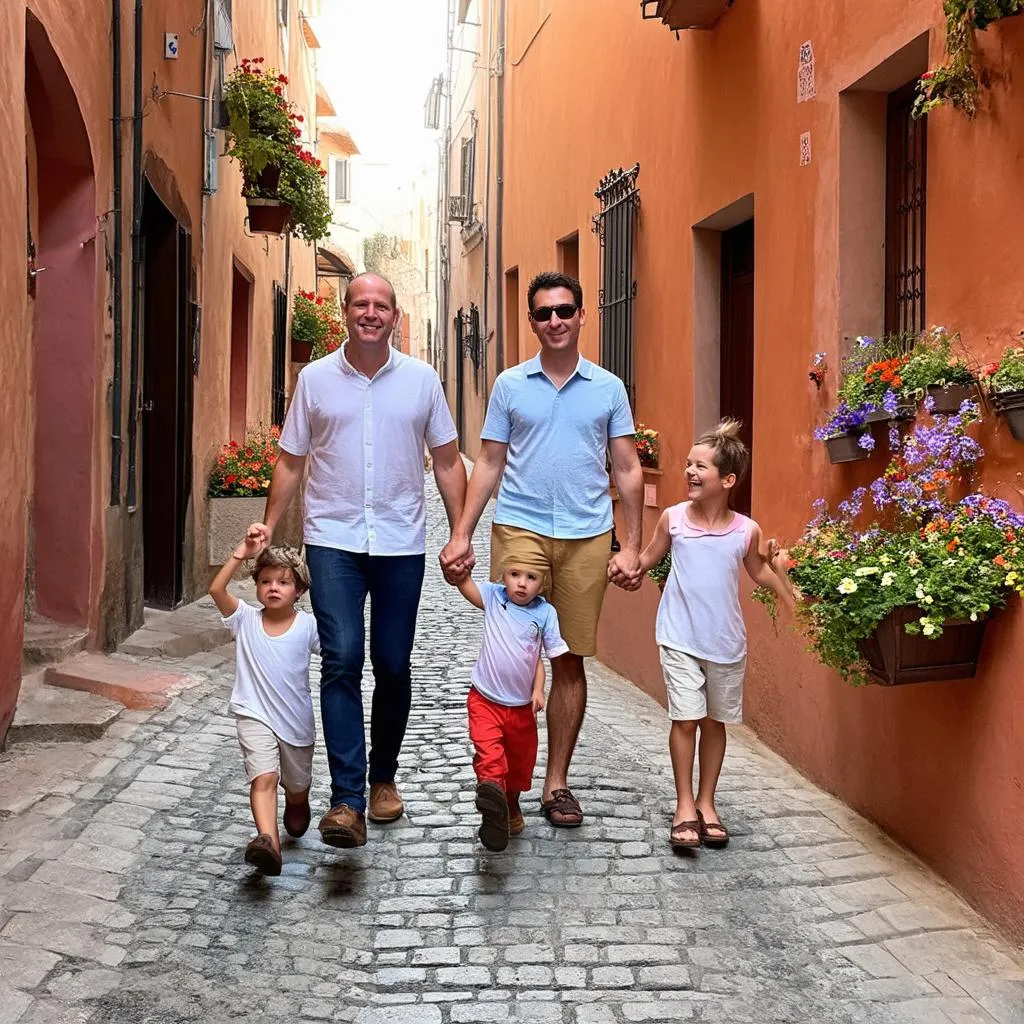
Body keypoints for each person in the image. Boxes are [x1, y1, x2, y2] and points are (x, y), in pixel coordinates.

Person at [248, 272, 467, 850]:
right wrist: (268, 526)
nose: (370, 313)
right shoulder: (315, 380)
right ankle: (346, 800)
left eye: (381, 306)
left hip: (400, 541)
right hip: (333, 538)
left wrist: (461, 532)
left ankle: (382, 778)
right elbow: (292, 460)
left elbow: (446, 460)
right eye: (360, 304)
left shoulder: (422, 381)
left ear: (395, 317)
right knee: (341, 659)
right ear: (344, 310)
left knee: (392, 663)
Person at [440, 271, 644, 829]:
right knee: (514, 652)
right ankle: (503, 783)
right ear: (531, 322)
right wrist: (462, 532)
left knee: (568, 659)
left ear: (582, 316)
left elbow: (626, 467)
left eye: (564, 310)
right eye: (543, 313)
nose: (554, 320)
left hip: (586, 534)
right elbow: (488, 462)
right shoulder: (510, 385)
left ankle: (556, 785)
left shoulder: (608, 388)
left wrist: (634, 547)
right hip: (522, 527)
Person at [636, 419, 794, 850]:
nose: (689, 471)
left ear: (727, 480)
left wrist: (788, 592)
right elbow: (649, 558)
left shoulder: (746, 530)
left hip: (725, 642)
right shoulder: (672, 520)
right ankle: (684, 804)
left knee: (714, 722)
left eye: (700, 466)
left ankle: (708, 802)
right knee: (685, 719)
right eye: (688, 464)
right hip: (679, 636)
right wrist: (626, 567)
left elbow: (759, 570)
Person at [208, 539, 321, 876]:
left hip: (296, 723)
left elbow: (337, 656)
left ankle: (298, 799)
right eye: (266, 581)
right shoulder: (243, 618)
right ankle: (268, 842)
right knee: (264, 778)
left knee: (296, 799)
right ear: (256, 585)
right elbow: (216, 589)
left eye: (284, 582)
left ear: (299, 590)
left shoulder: (309, 627)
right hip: (253, 713)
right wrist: (241, 551)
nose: (274, 588)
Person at [455, 563, 569, 851]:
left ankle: (509, 807)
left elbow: (539, 658)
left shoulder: (545, 613)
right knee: (489, 753)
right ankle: (491, 791)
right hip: (485, 698)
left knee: (519, 765)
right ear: (503, 575)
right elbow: (464, 585)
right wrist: (458, 570)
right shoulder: (494, 598)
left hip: (520, 709)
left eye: (531, 578)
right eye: (515, 575)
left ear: (543, 583)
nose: (521, 583)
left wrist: (538, 690)